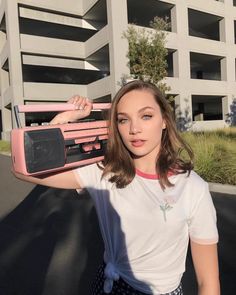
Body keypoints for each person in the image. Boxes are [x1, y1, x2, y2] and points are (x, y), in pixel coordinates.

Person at [13, 80, 220, 295]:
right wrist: (64, 119)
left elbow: (208, 281)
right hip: (107, 286)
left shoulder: (192, 187)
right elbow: (25, 169)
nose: (134, 129)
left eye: (146, 116)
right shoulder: (105, 172)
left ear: (165, 120)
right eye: (123, 120)